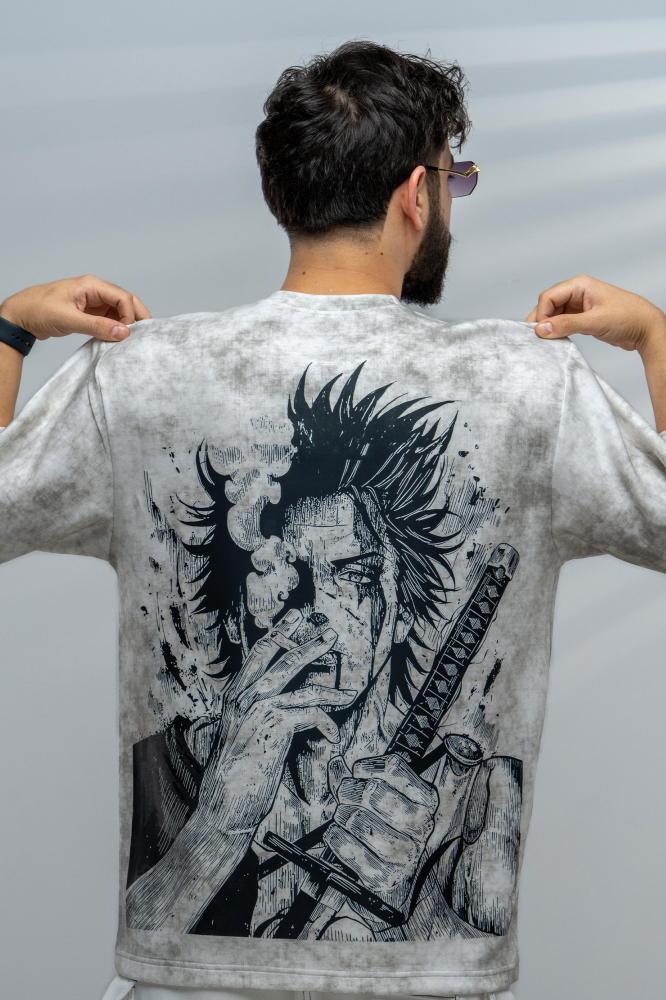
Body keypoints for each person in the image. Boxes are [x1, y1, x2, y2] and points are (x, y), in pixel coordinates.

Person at [1, 38, 665, 1000]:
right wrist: (655, 337)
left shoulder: (140, 375)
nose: (309, 610)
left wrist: (11, 328)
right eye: (280, 569)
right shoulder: (531, 384)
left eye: (351, 575)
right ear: (416, 194)